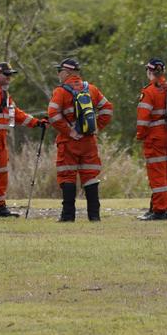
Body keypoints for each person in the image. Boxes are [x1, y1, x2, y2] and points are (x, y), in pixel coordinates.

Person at [47, 58, 114, 222]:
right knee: (91, 176)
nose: (58, 74)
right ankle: (94, 216)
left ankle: (68, 217)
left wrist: (69, 131)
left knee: (67, 176)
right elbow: (107, 108)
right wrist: (97, 127)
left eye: (59, 71)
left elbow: (53, 114)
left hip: (69, 141)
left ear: (67, 72)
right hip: (89, 141)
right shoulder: (91, 89)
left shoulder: (61, 91)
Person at [0, 62, 46, 217]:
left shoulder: (5, 94)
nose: (9, 78)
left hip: (1, 140)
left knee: (1, 174)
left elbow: (16, 113)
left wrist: (36, 122)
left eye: (10, 75)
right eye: (6, 74)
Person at [136, 58, 167, 221]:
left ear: (149, 72)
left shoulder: (149, 91)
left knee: (158, 175)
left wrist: (140, 135)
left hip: (156, 137)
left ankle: (159, 210)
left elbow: (143, 119)